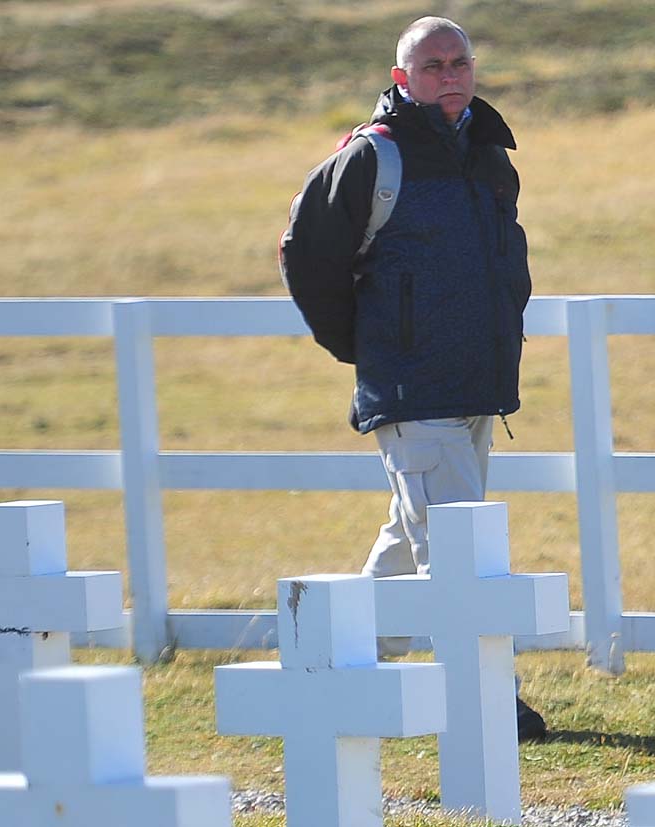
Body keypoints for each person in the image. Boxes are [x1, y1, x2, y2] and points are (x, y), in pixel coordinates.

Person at [278, 16, 546, 741]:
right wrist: (369, 347)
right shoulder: (373, 158)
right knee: (457, 547)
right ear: (403, 79)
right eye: (432, 66)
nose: (449, 75)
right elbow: (306, 256)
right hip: (415, 390)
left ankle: (337, 665)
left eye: (459, 61)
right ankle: (489, 699)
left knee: (411, 537)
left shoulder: (489, 152)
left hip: (477, 384)